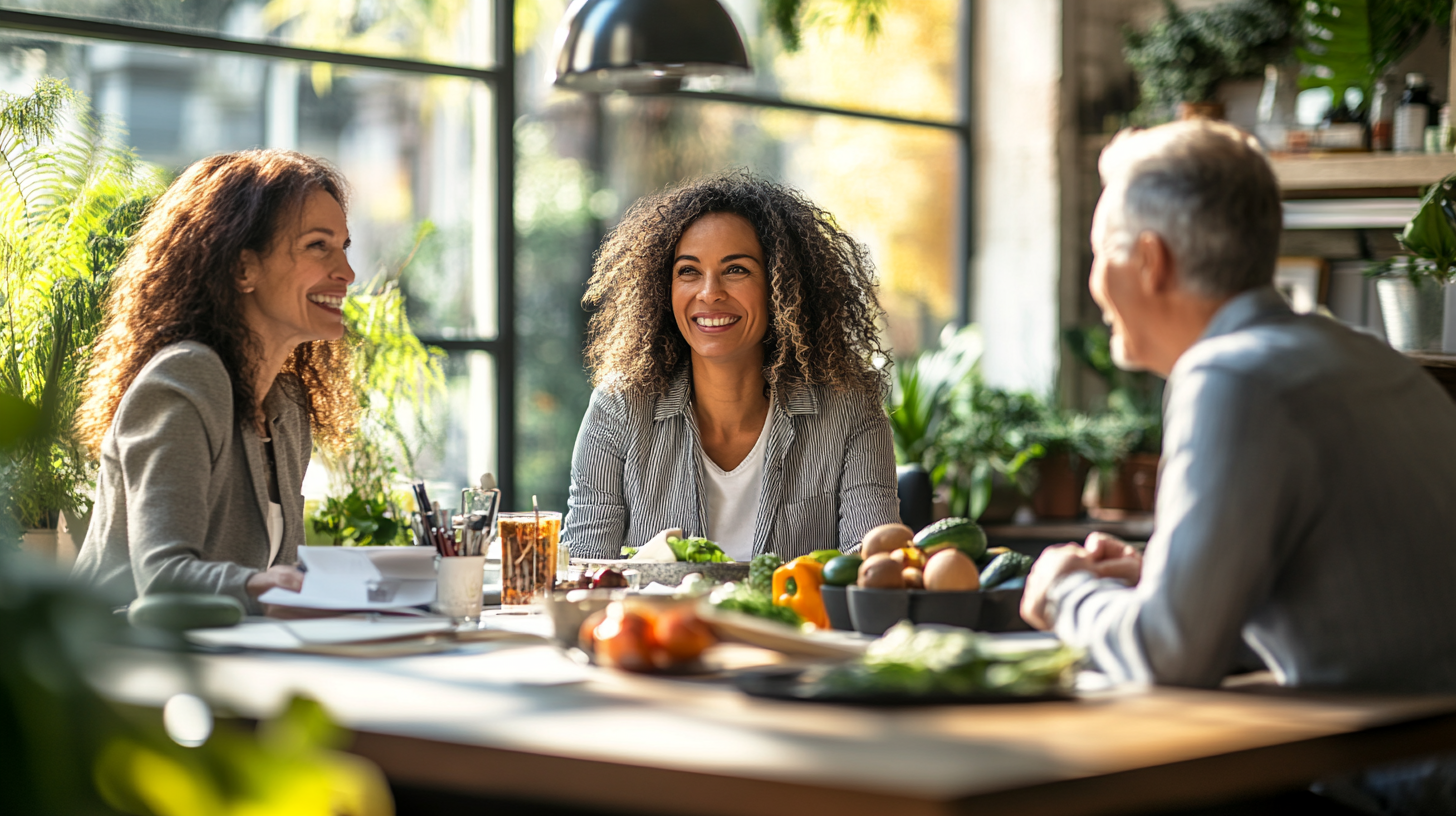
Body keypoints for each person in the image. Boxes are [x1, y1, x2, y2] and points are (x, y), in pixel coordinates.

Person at [1019, 120, 1456, 812]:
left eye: (1101, 251)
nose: (1094, 278)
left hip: (1403, 789)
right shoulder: (1362, 355)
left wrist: (1063, 589)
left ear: (1151, 262)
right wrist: (1163, 578)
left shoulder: (1229, 377)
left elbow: (1168, 659)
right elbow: (1356, 609)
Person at [73, 149, 357, 612]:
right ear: (244, 267)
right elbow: (162, 576)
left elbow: (273, 581)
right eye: (317, 246)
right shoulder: (184, 378)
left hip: (227, 661)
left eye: (343, 247)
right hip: (119, 665)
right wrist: (265, 586)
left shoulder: (285, 407)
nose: (346, 272)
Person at [563, 171, 900, 561]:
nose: (710, 293)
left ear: (782, 285)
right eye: (688, 271)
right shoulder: (619, 408)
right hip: (657, 623)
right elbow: (585, 574)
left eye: (736, 269)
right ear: (662, 288)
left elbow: (871, 570)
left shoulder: (849, 409)